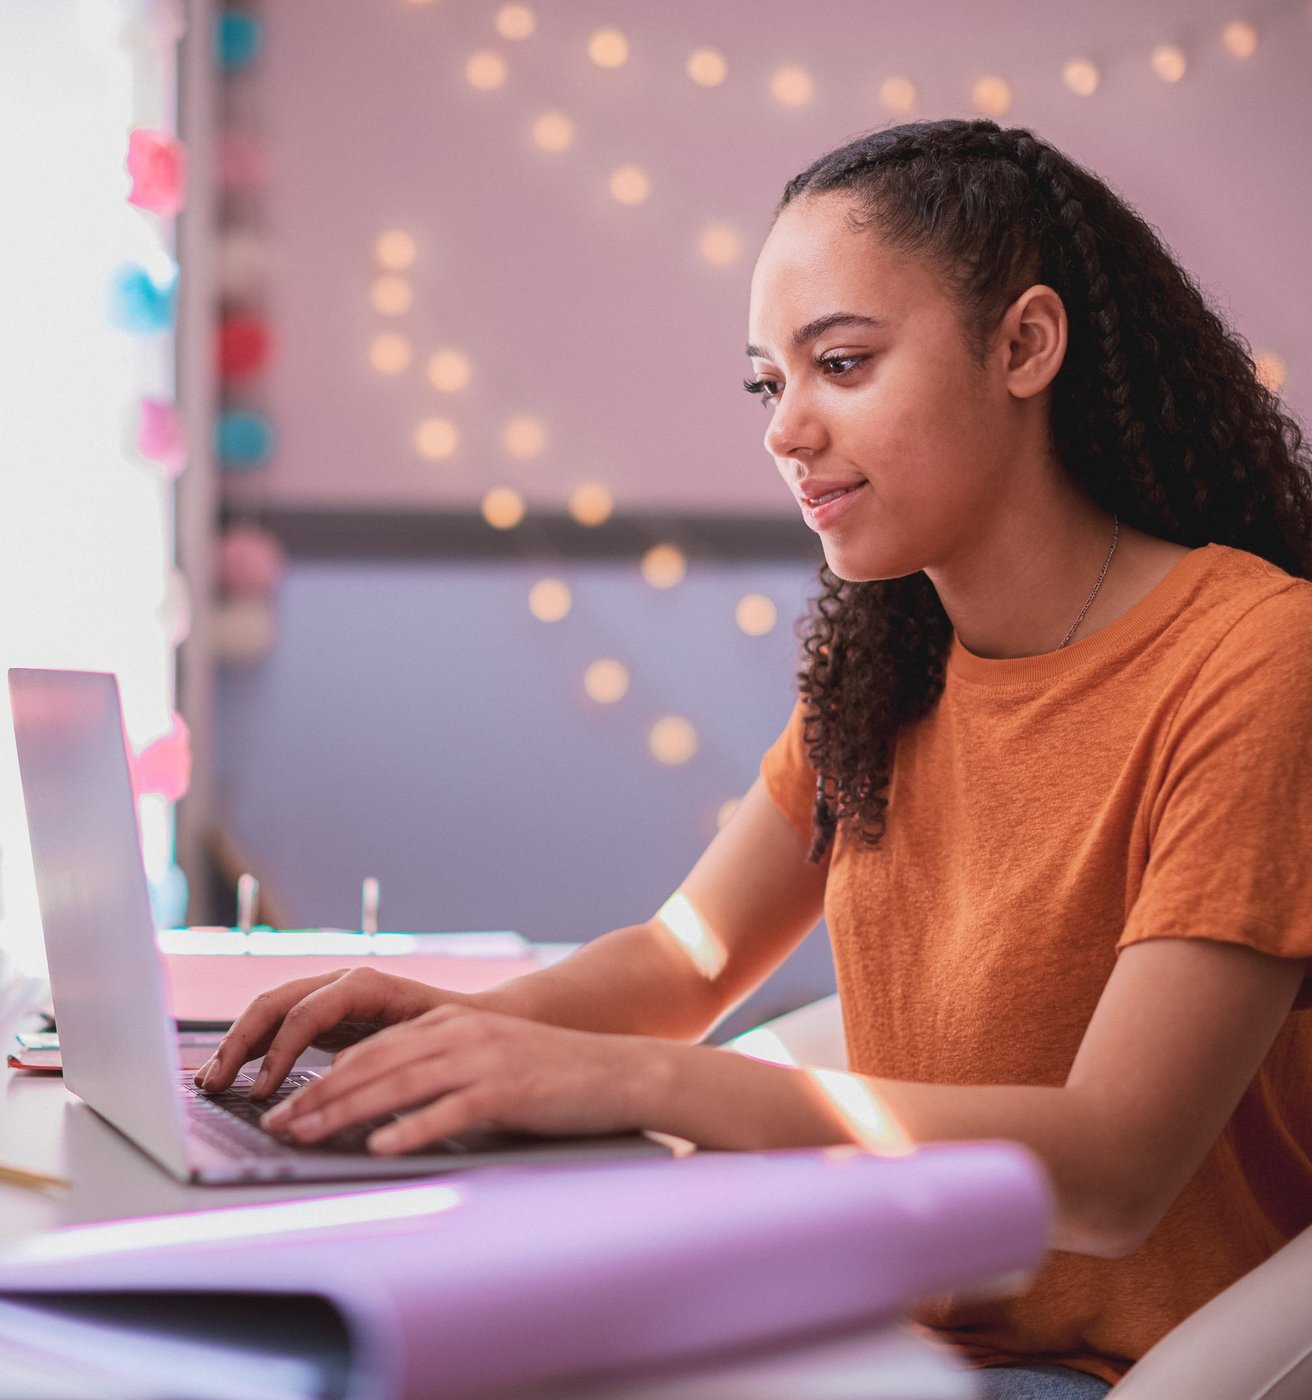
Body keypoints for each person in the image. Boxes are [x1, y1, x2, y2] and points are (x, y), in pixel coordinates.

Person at [196, 119, 1312, 1396]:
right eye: (767, 384)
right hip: (879, 1333)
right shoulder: (888, 662)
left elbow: (1115, 1167)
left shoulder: (1255, 658)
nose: (786, 431)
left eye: (839, 362)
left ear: (1024, 345)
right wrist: (443, 1025)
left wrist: (643, 1079)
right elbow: (680, 959)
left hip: (1112, 1370)